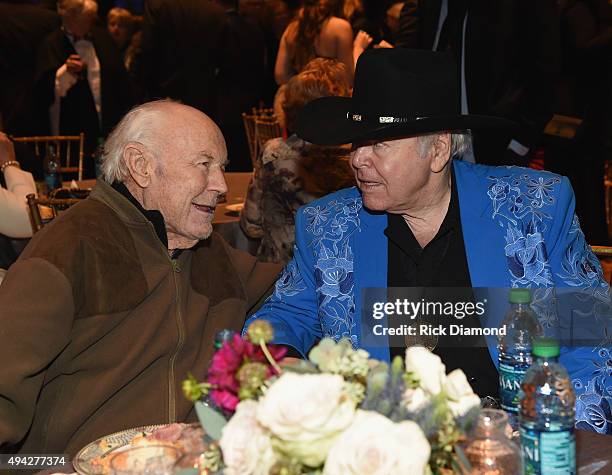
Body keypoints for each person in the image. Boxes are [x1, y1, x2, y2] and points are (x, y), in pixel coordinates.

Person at [245, 48, 611, 434]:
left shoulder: (534, 209)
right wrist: (281, 368)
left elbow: (593, 342)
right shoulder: (327, 227)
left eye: (379, 144)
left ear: (437, 150)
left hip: (513, 441)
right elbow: (285, 318)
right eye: (356, 143)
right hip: (384, 447)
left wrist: (552, 444)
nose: (357, 159)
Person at [0, 100, 281, 455]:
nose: (221, 185)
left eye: (221, 167)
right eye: (204, 164)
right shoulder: (70, 249)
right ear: (141, 166)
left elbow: (296, 292)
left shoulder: (209, 254)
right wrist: (46, 466)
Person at [240, 58, 354, 264]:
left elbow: (252, 225)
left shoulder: (274, 154)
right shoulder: (362, 155)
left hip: (283, 275)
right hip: (345, 272)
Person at [33, 0, 134, 176]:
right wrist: (65, 72)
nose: (88, 23)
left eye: (89, 19)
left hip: (107, 124)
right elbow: (42, 92)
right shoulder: (51, 43)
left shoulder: (102, 38)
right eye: (83, 19)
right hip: (72, 128)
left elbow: (121, 81)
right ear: (67, 18)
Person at [274, 0, 368, 85]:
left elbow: (281, 76)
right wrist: (358, 49)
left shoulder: (291, 29)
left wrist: (304, 86)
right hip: (330, 99)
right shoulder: (340, 28)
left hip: (301, 100)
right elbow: (348, 78)